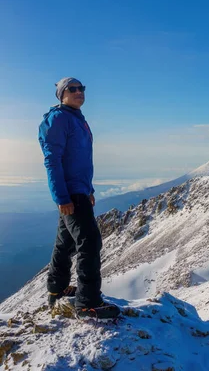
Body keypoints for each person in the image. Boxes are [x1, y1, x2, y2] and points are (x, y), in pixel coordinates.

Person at [38, 77, 120, 320]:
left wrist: (89, 190)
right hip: (69, 192)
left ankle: (57, 288)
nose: (79, 92)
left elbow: (81, 161)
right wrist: (62, 196)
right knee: (90, 241)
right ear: (62, 94)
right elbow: (52, 161)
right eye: (72, 89)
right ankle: (88, 303)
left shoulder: (75, 118)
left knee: (66, 242)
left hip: (78, 190)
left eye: (81, 88)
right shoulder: (59, 119)